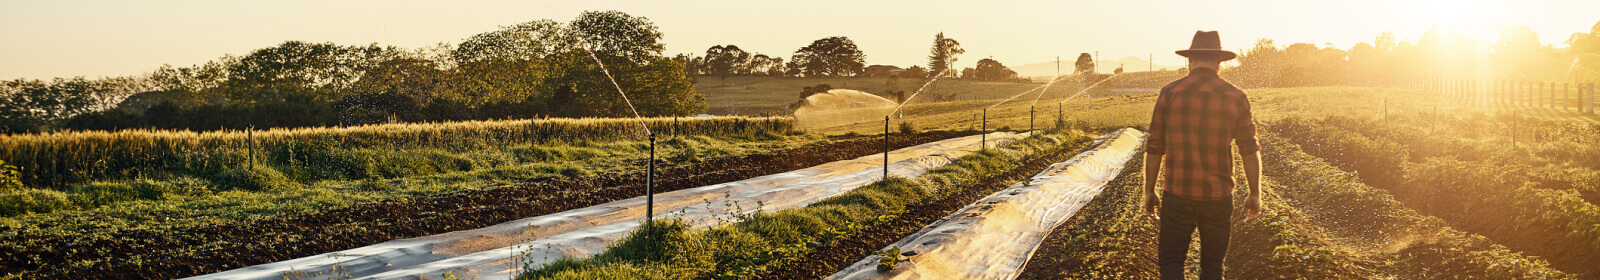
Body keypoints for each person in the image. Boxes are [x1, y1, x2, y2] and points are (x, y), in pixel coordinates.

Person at [1142, 30, 1263, 280]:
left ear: (1189, 60)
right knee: (1212, 267)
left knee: (1172, 261)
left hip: (1177, 194)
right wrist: (1254, 193)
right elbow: (1249, 149)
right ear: (1219, 63)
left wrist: (1149, 190)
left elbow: (1154, 146)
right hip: (1217, 197)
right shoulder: (1236, 97)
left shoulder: (1170, 92)